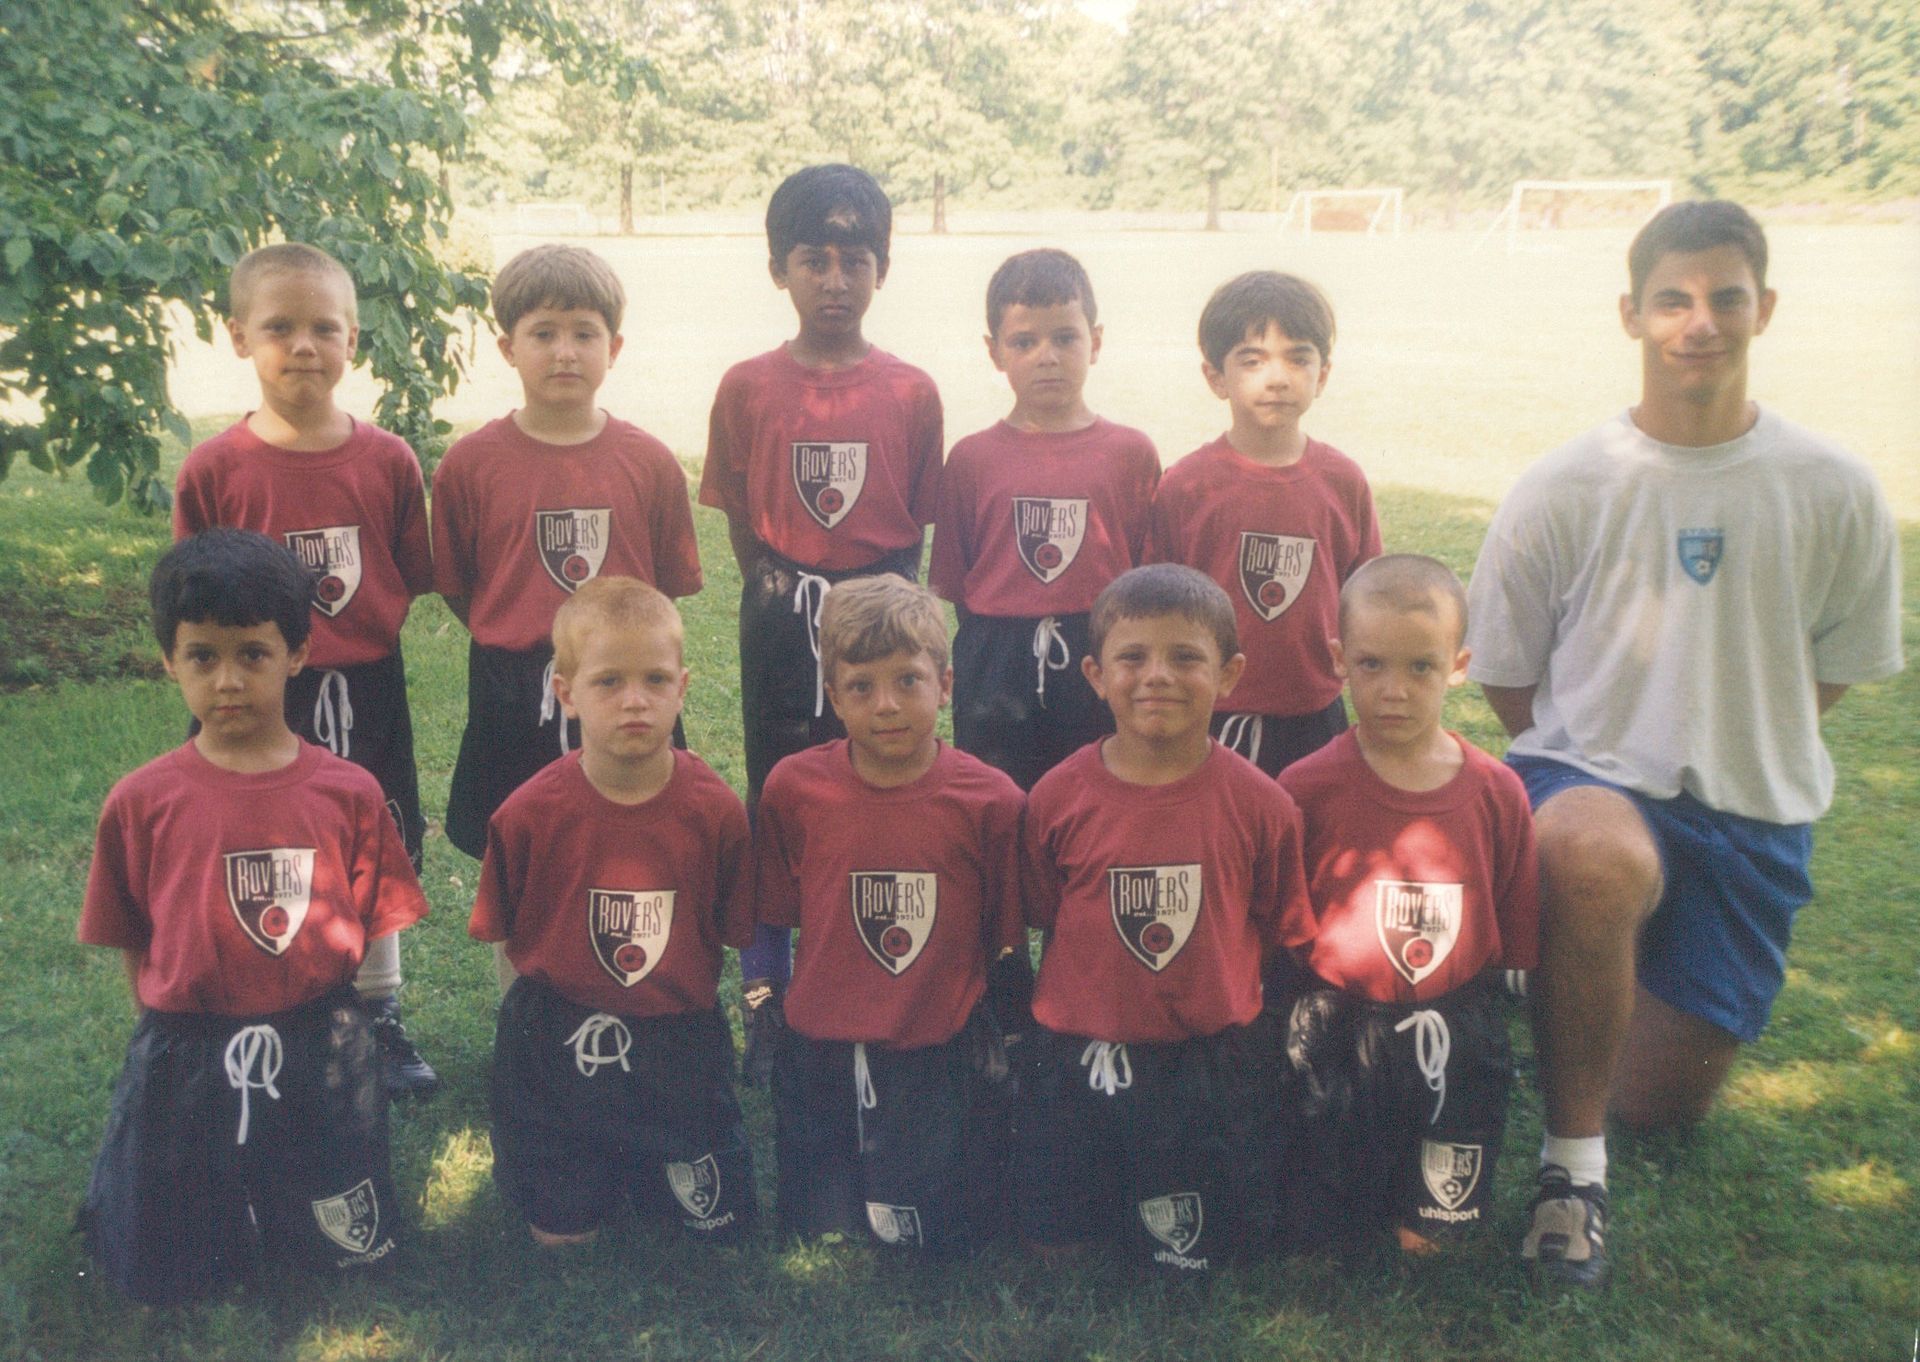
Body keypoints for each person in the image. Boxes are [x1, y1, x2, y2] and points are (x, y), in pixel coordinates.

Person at [1465, 200, 1903, 1290]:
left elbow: (1832, 669)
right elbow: (1509, 678)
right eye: (1673, 299)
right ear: (1631, 313)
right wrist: (1602, 755)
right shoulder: (1566, 484)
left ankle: (1555, 971)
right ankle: (1572, 1177)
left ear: (1765, 308)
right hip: (1590, 783)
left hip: (1749, 818)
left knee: (1655, 1106)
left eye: (1725, 298)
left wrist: (1734, 733)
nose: (1699, 322)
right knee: (1592, 855)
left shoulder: (1835, 486)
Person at [77, 529, 429, 1305]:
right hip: (190, 1045)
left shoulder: (348, 792)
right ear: (169, 660)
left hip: (318, 1040)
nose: (228, 680)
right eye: (203, 656)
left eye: (253, 654)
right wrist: (172, 1029)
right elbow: (132, 937)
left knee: (346, 1250)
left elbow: (375, 919)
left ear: (298, 653)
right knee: (170, 1264)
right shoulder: (141, 801)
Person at [173, 242, 439, 1095]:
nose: (302, 346)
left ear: (353, 339)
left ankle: (380, 1011)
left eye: (324, 328)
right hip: (254, 691)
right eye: (278, 327)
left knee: (373, 837)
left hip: (365, 683)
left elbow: (406, 569)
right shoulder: (215, 468)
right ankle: (258, 1004)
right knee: (261, 842)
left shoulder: (388, 460)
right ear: (238, 336)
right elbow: (195, 595)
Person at [698, 164, 944, 1082]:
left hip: (882, 608)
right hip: (781, 609)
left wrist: (880, 606)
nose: (835, 281)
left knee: (881, 783)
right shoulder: (747, 386)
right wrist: (783, 591)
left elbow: (917, 517)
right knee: (780, 793)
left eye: (855, 261)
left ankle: (862, 975)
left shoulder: (912, 390)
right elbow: (739, 513)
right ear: (779, 269)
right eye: (813, 261)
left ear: (883, 269)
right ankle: (768, 990)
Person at [1016, 564, 1310, 1274]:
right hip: (1079, 1049)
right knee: (1061, 1247)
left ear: (1230, 674)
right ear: (1094, 675)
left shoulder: (1263, 805)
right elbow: (1045, 911)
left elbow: (1274, 923)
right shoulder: (1057, 796)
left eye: (1185, 657)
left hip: (1205, 1057)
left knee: (1195, 1252)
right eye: (1132, 657)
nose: (1157, 676)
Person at [469, 578, 757, 1247]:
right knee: (563, 1236)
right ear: (565, 692)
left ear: (682, 688)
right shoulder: (527, 814)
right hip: (560, 1038)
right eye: (608, 682)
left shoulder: (716, 812)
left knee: (712, 1227)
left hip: (676, 1037)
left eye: (655, 679)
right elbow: (505, 930)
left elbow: (730, 925)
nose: (635, 700)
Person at [1276, 555, 1539, 1256]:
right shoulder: (1305, 786)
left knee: (1430, 1238)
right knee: (1326, 1223)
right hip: (1340, 1019)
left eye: (1421, 667)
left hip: (1455, 1019)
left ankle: (1430, 1198)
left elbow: (1514, 915)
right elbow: (1283, 916)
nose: (1394, 690)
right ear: (1339, 660)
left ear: (1459, 667)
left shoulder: (1497, 791)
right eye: (1372, 665)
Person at [752, 576, 1024, 1254]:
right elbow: (771, 915)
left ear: (946, 684)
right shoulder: (794, 788)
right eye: (861, 686)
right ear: (832, 694)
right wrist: (763, 1001)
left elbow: (1006, 939)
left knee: (934, 1238)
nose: (887, 705)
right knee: (823, 1231)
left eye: (908, 680)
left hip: (935, 1043)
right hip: (821, 1043)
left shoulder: (992, 801)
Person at [433, 244, 703, 862]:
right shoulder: (470, 464)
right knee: (516, 850)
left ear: (614, 347)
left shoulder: (650, 462)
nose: (564, 351)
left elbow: (664, 585)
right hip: (511, 687)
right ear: (508, 348)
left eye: (584, 333)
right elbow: (458, 584)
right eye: (543, 333)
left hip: (623, 680)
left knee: (631, 840)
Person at [929, 247, 1160, 792]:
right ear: (994, 351)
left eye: (1065, 338)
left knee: (1098, 793)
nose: (1047, 357)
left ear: (1095, 342)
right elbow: (958, 584)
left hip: (1097, 652)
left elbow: (1147, 580)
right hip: (996, 658)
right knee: (998, 797)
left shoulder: (1130, 453)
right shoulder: (971, 458)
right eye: (1024, 342)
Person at [1148, 271, 1380, 778]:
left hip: (1314, 714)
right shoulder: (1187, 486)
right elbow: (1157, 609)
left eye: (1298, 358)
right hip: (1208, 713)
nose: (1277, 378)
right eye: (1252, 361)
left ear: (1323, 374)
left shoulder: (1343, 482)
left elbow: (1368, 604)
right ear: (1216, 377)